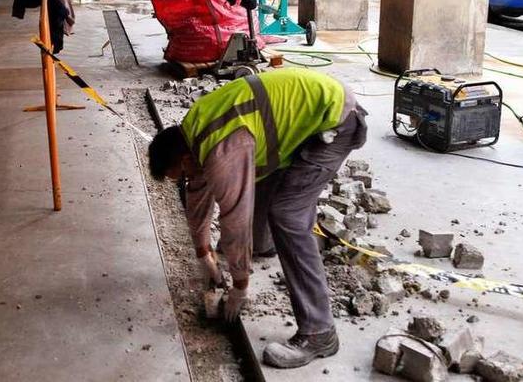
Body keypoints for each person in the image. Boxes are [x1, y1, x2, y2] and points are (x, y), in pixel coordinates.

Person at [147, 68, 368, 369]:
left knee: (288, 214)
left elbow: (234, 220)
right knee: (258, 182)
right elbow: (198, 197)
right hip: (305, 117)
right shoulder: (193, 132)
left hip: (335, 122)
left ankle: (320, 332)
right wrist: (203, 253)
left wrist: (240, 285)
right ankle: (263, 246)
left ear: (184, 159)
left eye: (181, 175)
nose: (186, 180)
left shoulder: (222, 152)